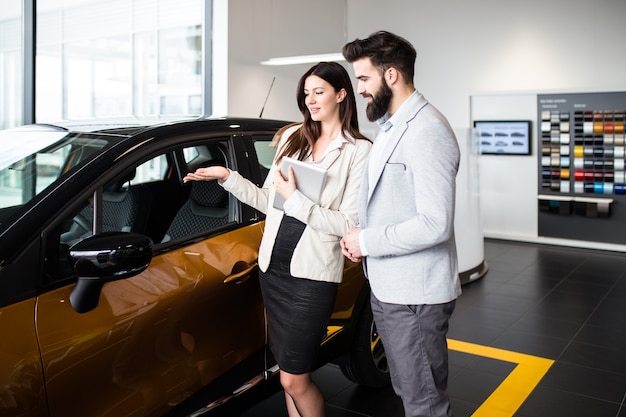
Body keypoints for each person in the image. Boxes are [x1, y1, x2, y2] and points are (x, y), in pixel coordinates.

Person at [184, 61, 371, 417]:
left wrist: (297, 200)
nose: (311, 101)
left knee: (294, 380)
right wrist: (227, 176)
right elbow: (267, 202)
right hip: (274, 270)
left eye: (319, 92)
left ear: (341, 94)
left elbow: (347, 222)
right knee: (286, 373)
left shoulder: (358, 150)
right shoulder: (292, 138)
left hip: (312, 279)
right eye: (306, 93)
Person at [340, 31, 461, 417]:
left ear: (391, 75)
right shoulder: (390, 126)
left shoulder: (427, 131)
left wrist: (368, 241)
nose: (359, 89)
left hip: (416, 296)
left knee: (423, 401)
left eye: (363, 79)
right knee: (409, 391)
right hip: (393, 287)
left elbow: (435, 223)